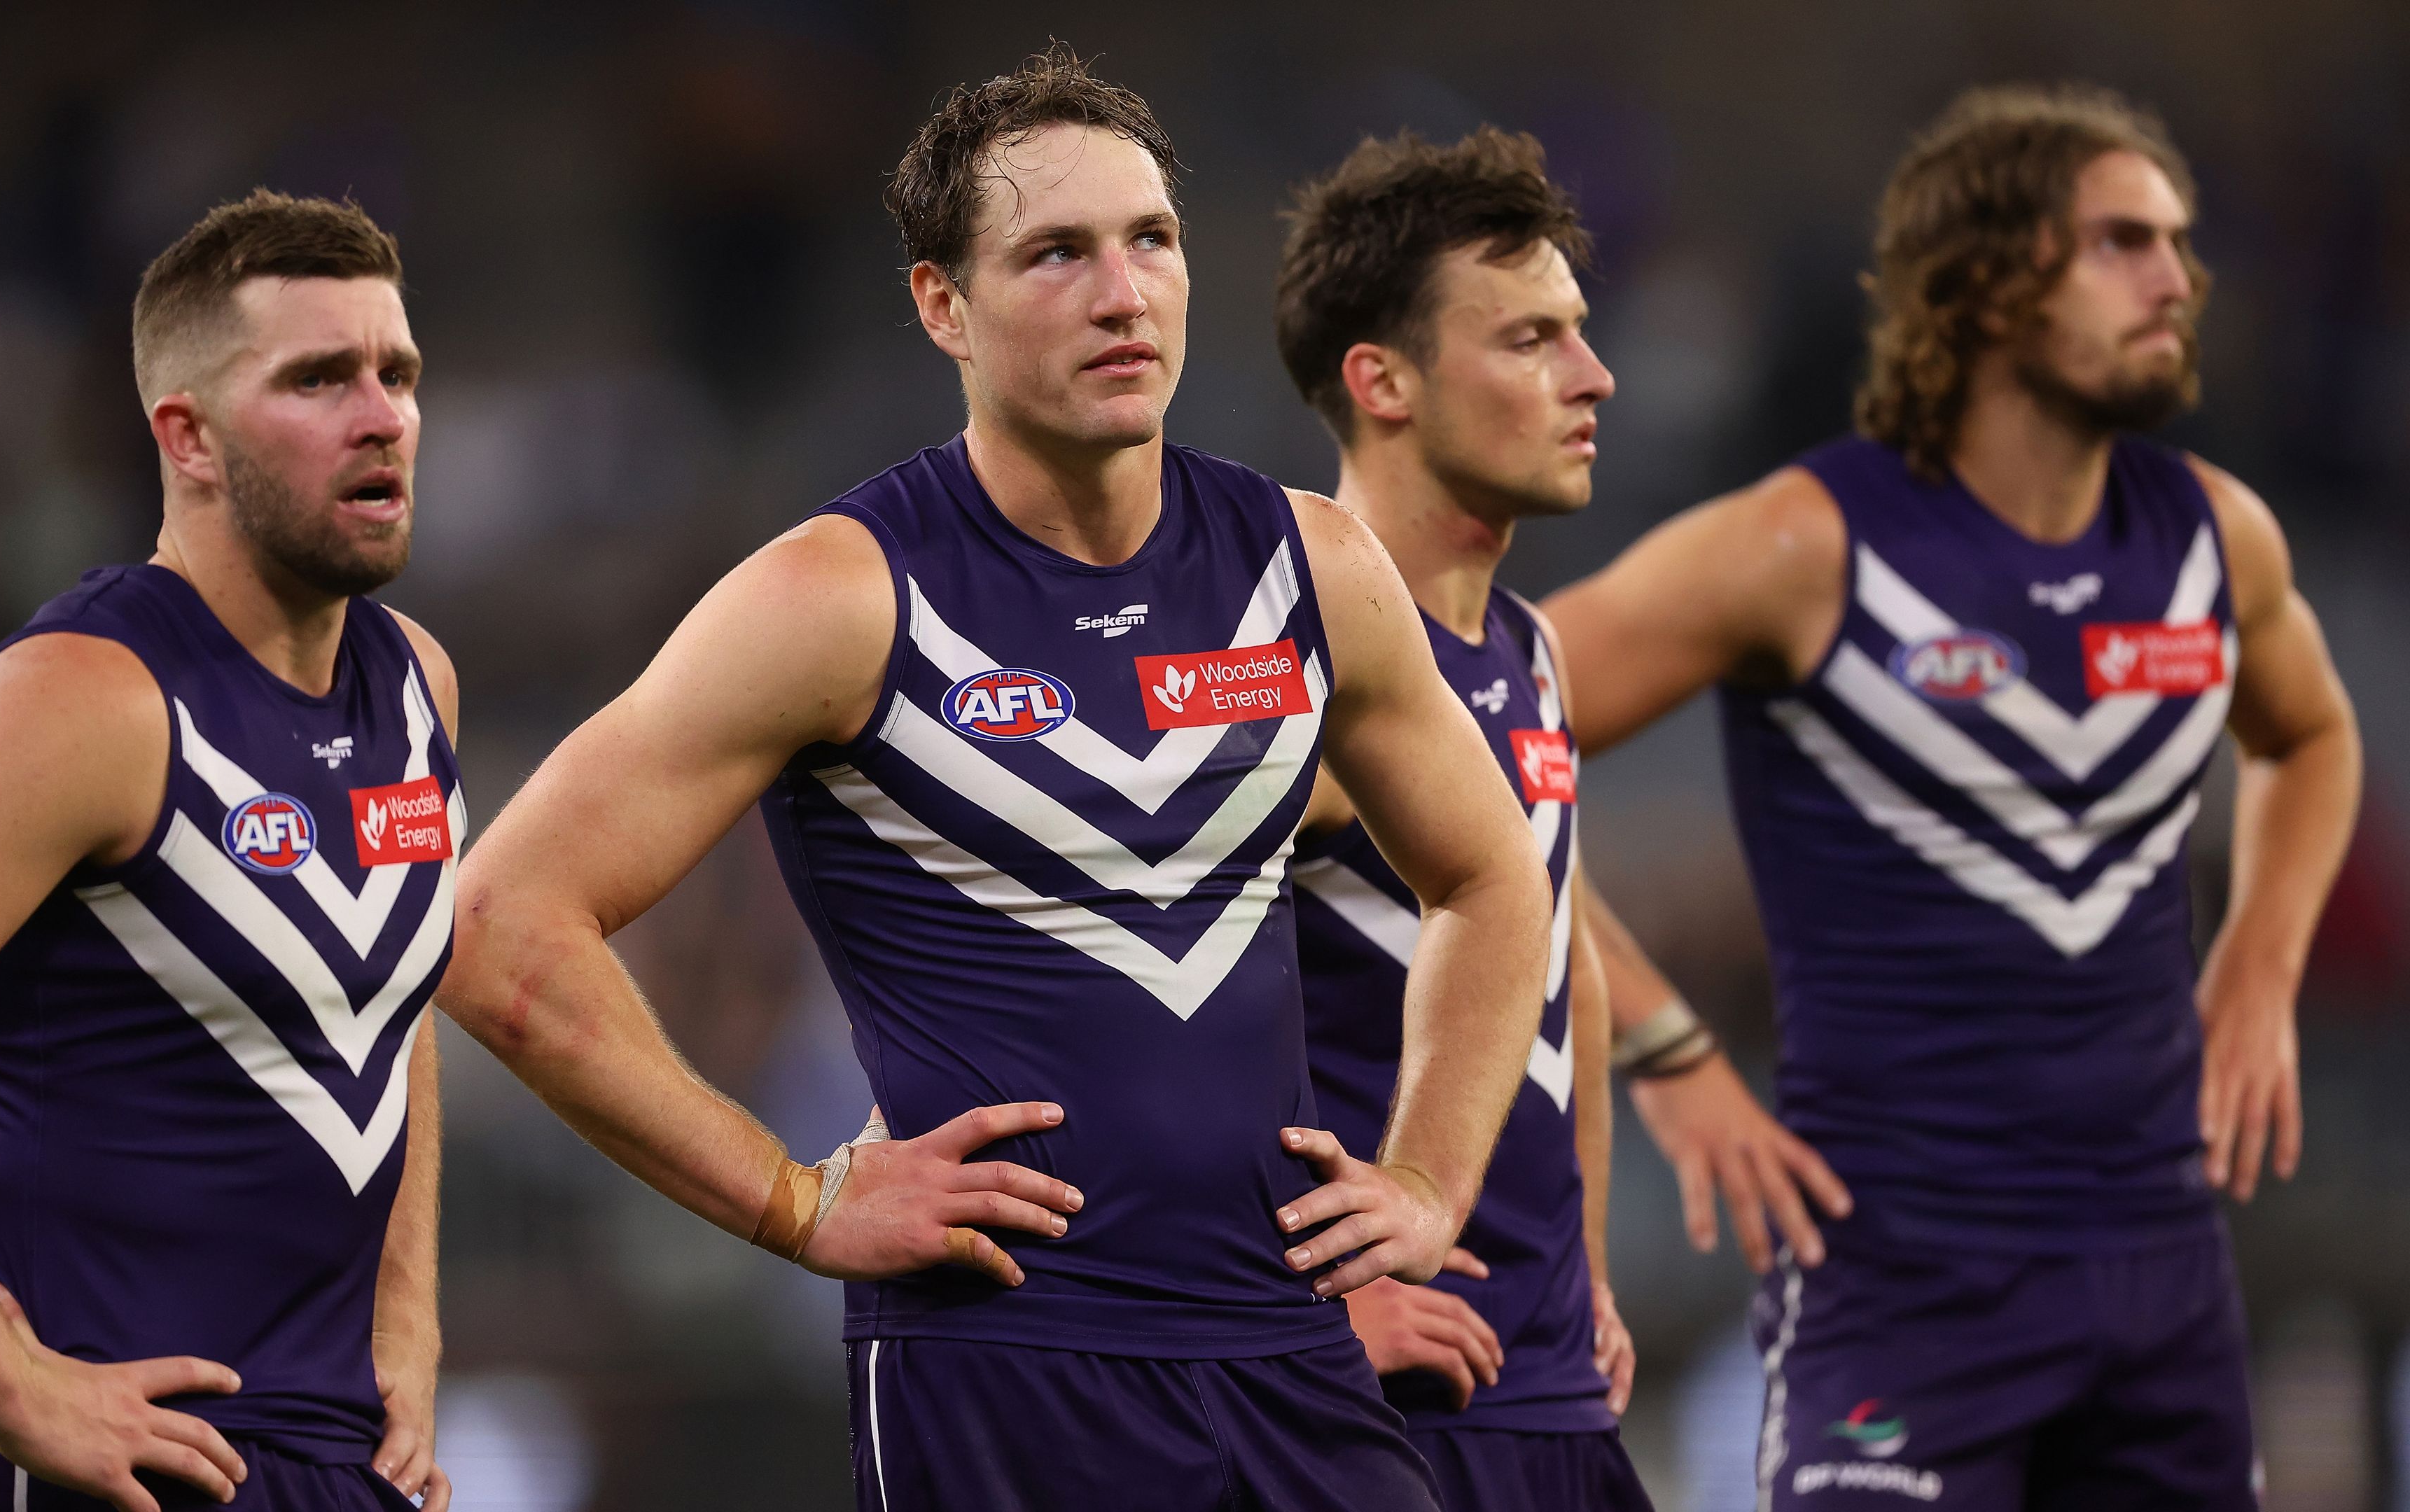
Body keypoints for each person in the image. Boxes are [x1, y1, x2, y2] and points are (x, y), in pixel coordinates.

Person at [436, 46, 1554, 1512]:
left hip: (1294, 1357)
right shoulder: (838, 599)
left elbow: (1491, 876)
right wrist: (791, 1199)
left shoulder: (1313, 570)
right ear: (940, 304)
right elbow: (499, 928)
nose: (1123, 291)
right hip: (1007, 1369)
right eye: (1057, 254)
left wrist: (1427, 1183)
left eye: (1151, 239)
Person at [1545, 85, 2362, 1508]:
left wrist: (2263, 962)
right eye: (2121, 242)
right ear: (1986, 285)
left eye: (2176, 241)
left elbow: (2314, 737)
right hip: (1899, 1282)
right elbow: (1470, 733)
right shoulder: (1802, 545)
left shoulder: (2218, 539)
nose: (2179, 277)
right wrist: (1668, 1053)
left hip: (2166, 1276)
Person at [0, 191, 456, 1512]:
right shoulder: (89, 696)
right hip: (90, 1462)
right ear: (190, 438)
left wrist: (408, 1309)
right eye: (319, 377)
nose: (382, 414)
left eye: (396, 372)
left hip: (327, 1455)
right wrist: (10, 1387)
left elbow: (391, 1005)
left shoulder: (419, 687)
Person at [1272, 127, 1651, 1511]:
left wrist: (1591, 1268)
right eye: (1533, 340)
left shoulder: (1532, 653)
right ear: (1384, 381)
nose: (1593, 376)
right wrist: (1308, 1314)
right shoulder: (1288, 661)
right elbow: (1146, 1012)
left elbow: (1567, 974)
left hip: (1544, 1380)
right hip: (1383, 1405)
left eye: (1582, 334)